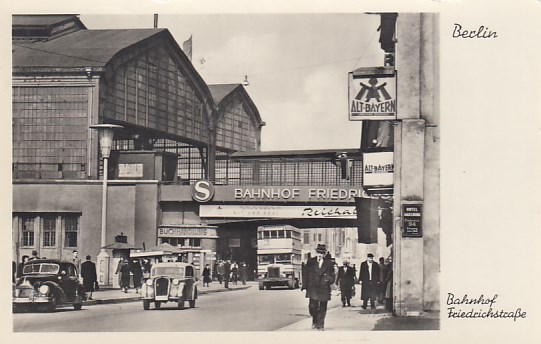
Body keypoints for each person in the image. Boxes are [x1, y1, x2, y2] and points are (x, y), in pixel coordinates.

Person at [301, 244, 335, 331]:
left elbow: (332, 275)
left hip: (324, 288)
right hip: (313, 288)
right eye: (318, 252)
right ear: (316, 252)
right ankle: (314, 321)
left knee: (323, 307)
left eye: (322, 253)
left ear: (324, 254)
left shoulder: (329, 263)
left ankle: (320, 325)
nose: (320, 255)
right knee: (312, 306)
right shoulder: (310, 262)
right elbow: (305, 274)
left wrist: (328, 280)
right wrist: (304, 286)